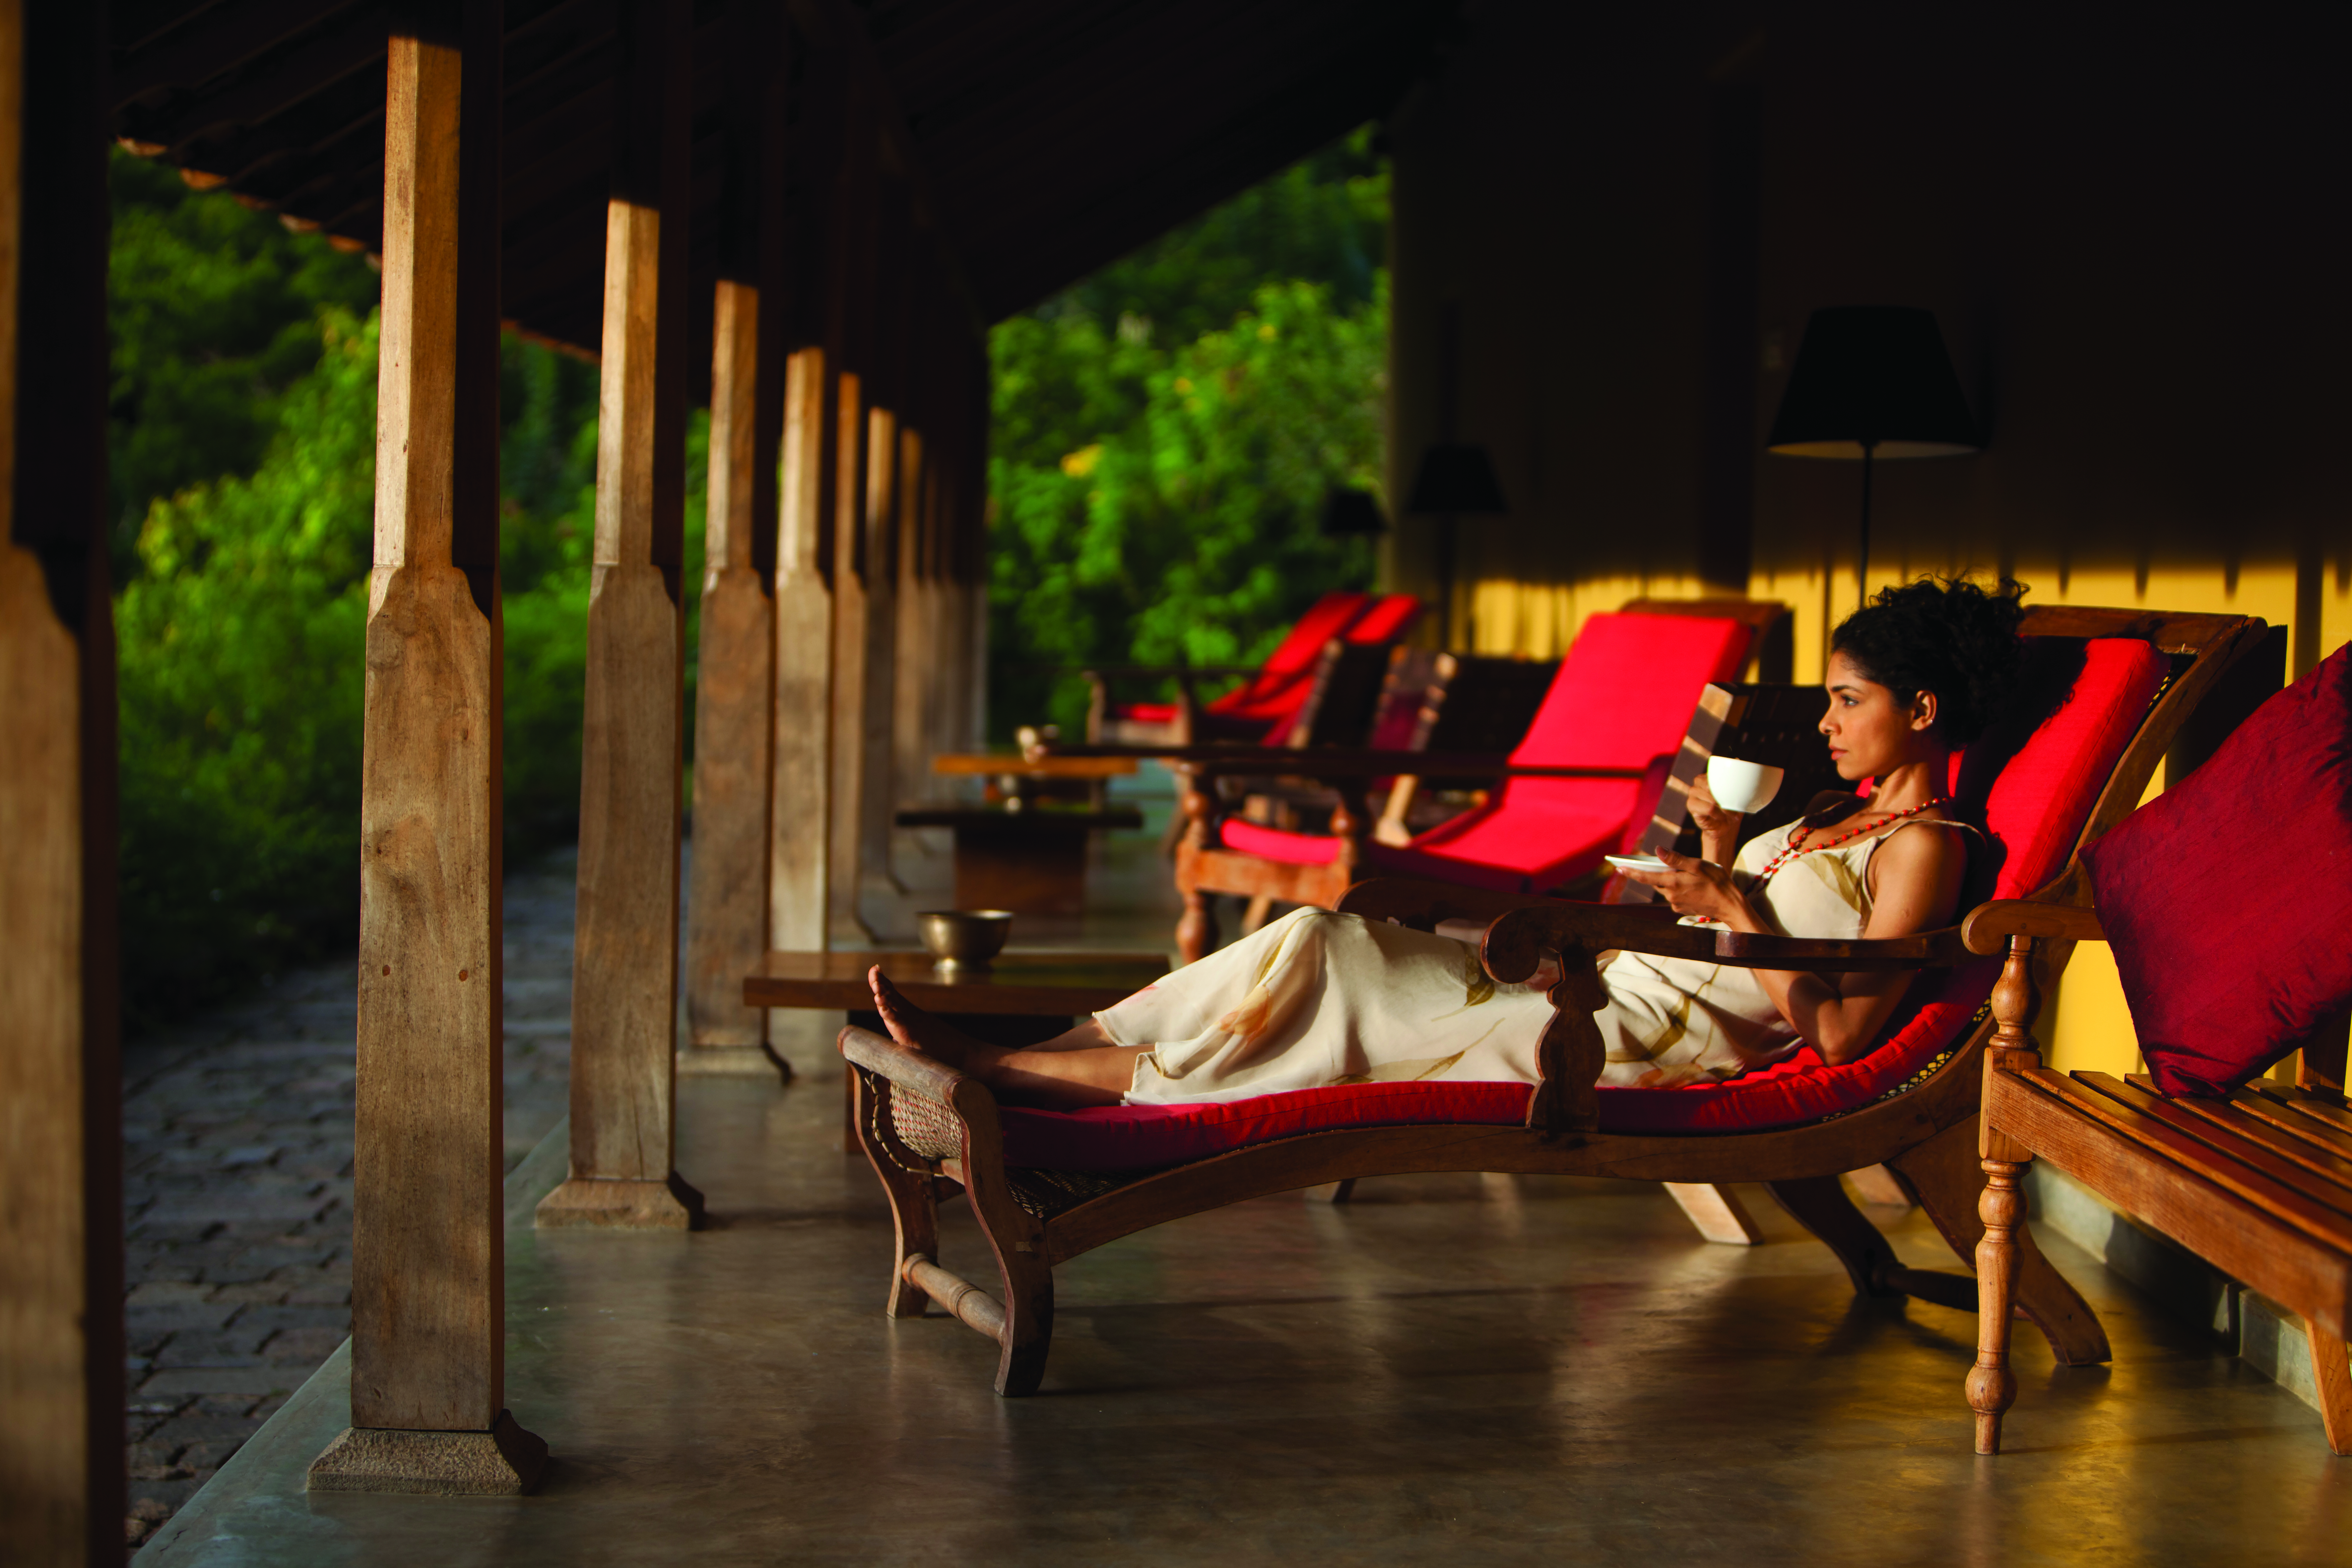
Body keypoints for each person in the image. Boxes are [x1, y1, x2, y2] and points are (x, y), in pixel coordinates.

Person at [868, 577, 2026, 1110]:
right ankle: (1052, 1049)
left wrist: (1732, 909)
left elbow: (1843, 1035)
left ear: (1922, 709)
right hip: (1601, 978)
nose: (1824, 722)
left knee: (1335, 998)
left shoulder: (1923, 848)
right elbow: (1740, 914)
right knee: (1318, 935)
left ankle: (1009, 1075)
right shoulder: (1828, 814)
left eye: (1847, 700)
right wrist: (1718, 862)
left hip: (1618, 1038)